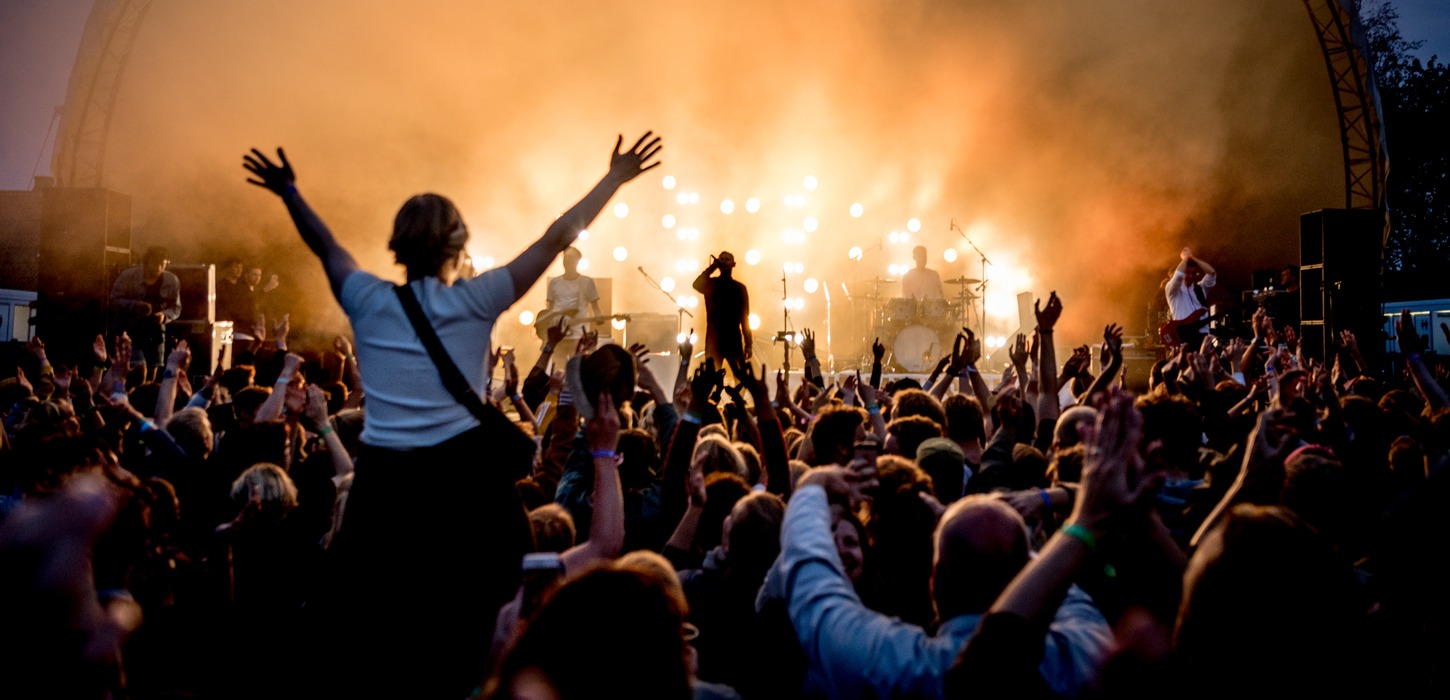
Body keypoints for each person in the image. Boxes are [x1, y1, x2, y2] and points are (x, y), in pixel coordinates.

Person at [242, 131, 661, 698]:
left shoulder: (366, 298)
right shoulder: (477, 298)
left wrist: (288, 191)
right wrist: (613, 178)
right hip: (467, 492)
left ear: (395, 247)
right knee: (488, 622)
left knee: (365, 630)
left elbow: (328, 247)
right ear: (459, 248)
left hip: (383, 491)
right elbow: (556, 235)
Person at [111, 246, 181, 367]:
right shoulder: (129, 276)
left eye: (162, 264)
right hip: (130, 330)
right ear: (146, 261)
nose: (158, 268)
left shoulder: (172, 281)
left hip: (156, 332)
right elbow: (114, 301)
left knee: (154, 366)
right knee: (136, 368)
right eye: (154, 263)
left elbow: (176, 308)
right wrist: (135, 306)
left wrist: (164, 316)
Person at [693, 250, 751, 369]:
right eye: (722, 259)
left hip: (733, 338)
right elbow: (696, 284)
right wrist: (713, 266)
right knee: (712, 377)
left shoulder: (739, 288)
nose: (724, 261)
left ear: (733, 264)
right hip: (713, 339)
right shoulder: (711, 283)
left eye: (727, 259)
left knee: (740, 376)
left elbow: (745, 318)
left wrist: (748, 344)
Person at [541, 246, 604, 352]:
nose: (567, 261)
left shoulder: (587, 282)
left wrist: (599, 318)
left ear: (577, 261)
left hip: (579, 336)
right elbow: (549, 311)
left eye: (570, 258)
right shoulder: (554, 283)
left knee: (576, 365)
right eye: (565, 258)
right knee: (557, 366)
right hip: (558, 336)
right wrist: (546, 334)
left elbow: (596, 307)